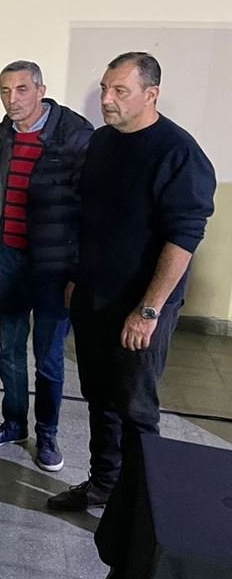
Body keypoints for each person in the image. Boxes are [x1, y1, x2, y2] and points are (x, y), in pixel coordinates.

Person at [49, 53, 215, 516]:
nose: (107, 99)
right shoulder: (102, 142)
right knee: (99, 398)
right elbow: (90, 219)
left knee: (135, 408)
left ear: (151, 94)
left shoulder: (178, 153)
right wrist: (77, 278)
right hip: (93, 297)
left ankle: (143, 510)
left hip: (141, 306)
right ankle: (104, 484)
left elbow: (183, 238)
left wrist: (149, 310)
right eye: (105, 88)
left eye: (119, 91)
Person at [0, 60, 93, 474]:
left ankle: (47, 433)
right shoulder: (5, 134)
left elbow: (88, 208)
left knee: (48, 356)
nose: (12, 99)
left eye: (21, 89)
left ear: (41, 90)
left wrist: (77, 271)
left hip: (53, 266)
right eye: (5, 90)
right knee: (9, 348)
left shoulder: (75, 135)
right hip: (11, 258)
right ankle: (13, 423)